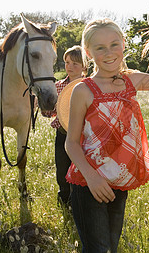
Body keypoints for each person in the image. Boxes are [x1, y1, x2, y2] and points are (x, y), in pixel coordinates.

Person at [63, 18, 149, 252]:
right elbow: (71, 143)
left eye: (114, 44)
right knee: (99, 249)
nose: (109, 53)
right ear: (88, 52)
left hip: (119, 182)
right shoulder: (83, 90)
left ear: (124, 44)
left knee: (110, 248)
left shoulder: (131, 81)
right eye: (100, 48)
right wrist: (92, 178)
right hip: (89, 183)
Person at [42, 45, 86, 206]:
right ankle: (64, 200)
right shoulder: (58, 86)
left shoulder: (90, 85)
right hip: (62, 134)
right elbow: (51, 112)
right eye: (67, 62)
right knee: (62, 169)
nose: (70, 67)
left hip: (84, 137)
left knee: (81, 169)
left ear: (84, 66)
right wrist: (44, 106)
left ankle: (80, 202)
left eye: (75, 63)